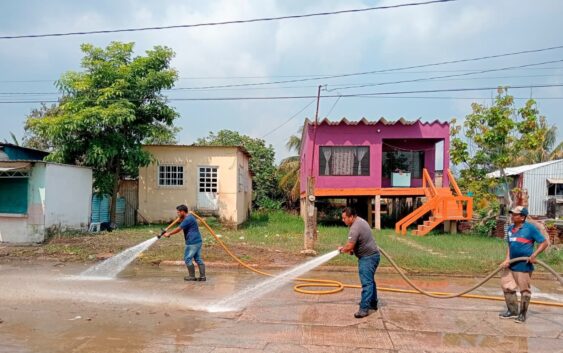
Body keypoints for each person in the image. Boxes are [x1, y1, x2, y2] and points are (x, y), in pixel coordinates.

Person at [499, 206, 548, 323]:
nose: (512, 216)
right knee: (507, 286)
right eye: (512, 214)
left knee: (524, 290)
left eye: (515, 214)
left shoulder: (530, 229)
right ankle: (512, 311)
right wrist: (507, 259)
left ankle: (522, 314)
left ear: (522, 217)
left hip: (523, 264)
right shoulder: (510, 229)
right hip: (511, 264)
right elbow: (510, 246)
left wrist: (534, 255)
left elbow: (544, 243)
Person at [338, 207, 380, 318]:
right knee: (370, 281)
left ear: (351, 217)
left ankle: (364, 309)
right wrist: (348, 249)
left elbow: (350, 245)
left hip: (368, 258)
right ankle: (372, 303)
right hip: (373, 256)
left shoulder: (355, 227)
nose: (343, 220)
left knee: (367, 283)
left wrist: (343, 249)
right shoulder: (360, 221)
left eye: (344, 218)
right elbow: (355, 244)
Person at [163, 205, 206, 282]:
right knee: (198, 259)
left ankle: (192, 276)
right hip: (197, 241)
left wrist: (169, 234)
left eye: (179, 212)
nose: (178, 214)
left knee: (187, 258)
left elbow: (179, 229)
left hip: (192, 242)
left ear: (183, 212)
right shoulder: (189, 217)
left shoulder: (188, 219)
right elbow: (181, 222)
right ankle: (203, 277)